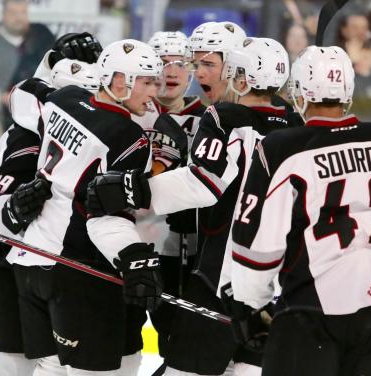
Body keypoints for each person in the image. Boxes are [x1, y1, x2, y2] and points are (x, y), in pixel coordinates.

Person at [227, 45, 371, 376]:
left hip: (309, 316)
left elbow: (258, 248)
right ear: (347, 90)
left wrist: (250, 306)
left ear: (300, 93)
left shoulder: (282, 149)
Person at [88, 33, 298, 376]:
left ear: (243, 80)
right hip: (280, 278)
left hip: (224, 271)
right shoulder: (297, 127)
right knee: (247, 371)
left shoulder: (225, 118)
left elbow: (203, 182)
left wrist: (136, 190)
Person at [6, 39, 163, 375]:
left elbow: (22, 94)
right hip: (77, 269)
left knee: (50, 367)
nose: (153, 93)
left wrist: (49, 63)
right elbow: (110, 215)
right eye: (147, 82)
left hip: (30, 258)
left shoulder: (65, 98)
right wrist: (132, 257)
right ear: (119, 81)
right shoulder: (129, 136)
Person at [0, 32, 104, 376]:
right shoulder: (28, 138)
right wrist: (13, 209)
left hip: (31, 261)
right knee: (13, 362)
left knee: (47, 362)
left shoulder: (65, 128)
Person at [131, 30, 206, 360]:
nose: (171, 71)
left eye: (180, 62)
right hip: (129, 240)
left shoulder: (209, 115)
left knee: (177, 333)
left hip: (182, 244)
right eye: (163, 62)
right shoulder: (131, 113)